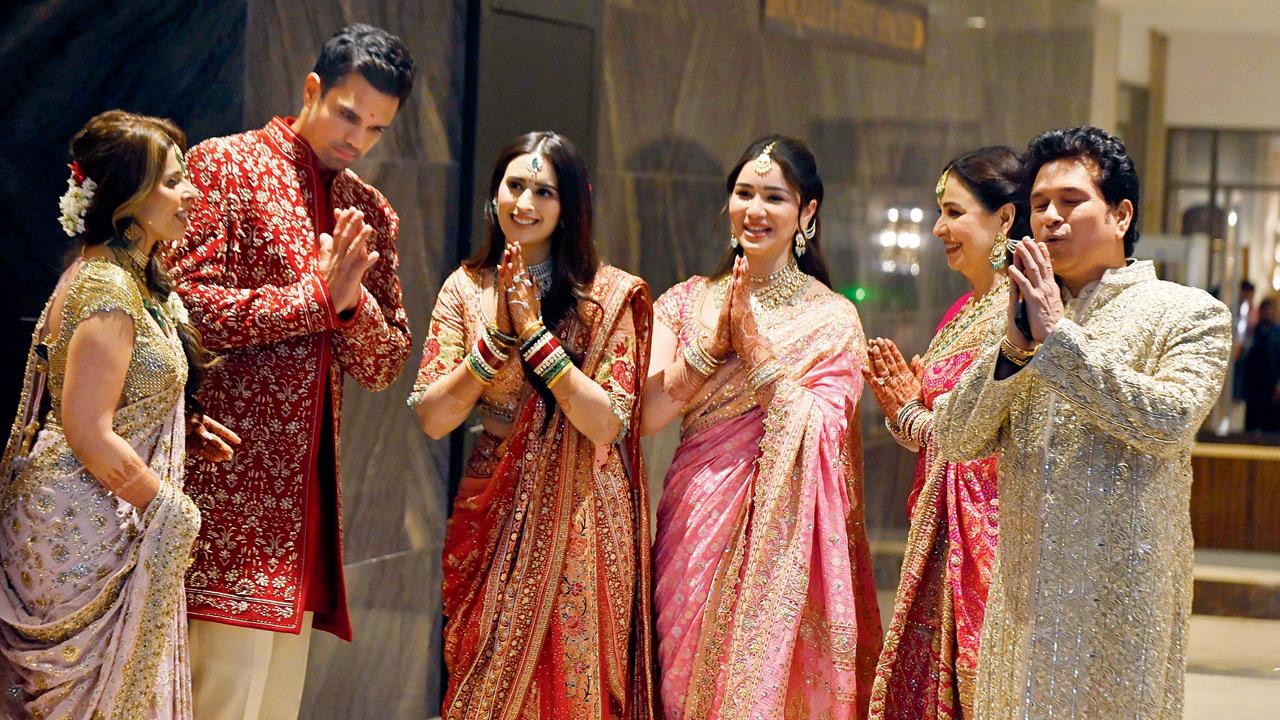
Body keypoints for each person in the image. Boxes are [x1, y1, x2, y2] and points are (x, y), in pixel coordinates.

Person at [933, 126, 1231, 718]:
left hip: (1120, 613)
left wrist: (1058, 339)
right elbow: (956, 438)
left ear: (1121, 215)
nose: (1050, 218)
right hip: (1018, 607)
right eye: (1040, 204)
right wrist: (1015, 349)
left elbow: (1169, 421)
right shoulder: (1016, 320)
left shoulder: (1189, 314)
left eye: (1071, 201)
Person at [164, 24, 415, 720]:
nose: (358, 139)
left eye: (376, 128)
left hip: (307, 514)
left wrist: (350, 306)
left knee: (275, 707)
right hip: (226, 496)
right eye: (348, 115)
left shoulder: (370, 212)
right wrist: (314, 300)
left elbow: (385, 363)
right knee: (218, 702)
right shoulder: (223, 166)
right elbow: (186, 307)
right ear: (312, 89)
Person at [408, 131, 655, 719]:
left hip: (584, 512)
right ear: (494, 192)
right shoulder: (465, 289)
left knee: (573, 678)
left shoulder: (606, 296)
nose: (524, 203)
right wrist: (495, 340)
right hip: (492, 498)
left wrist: (536, 338)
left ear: (569, 206)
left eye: (544, 191)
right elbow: (433, 417)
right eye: (514, 185)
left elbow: (607, 424)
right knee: (481, 667)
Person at [0, 110, 237, 718]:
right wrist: (167, 504)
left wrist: (176, 426)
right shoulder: (106, 286)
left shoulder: (129, 276)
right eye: (173, 182)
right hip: (77, 527)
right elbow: (86, 429)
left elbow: (112, 397)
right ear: (128, 198)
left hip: (95, 513)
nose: (191, 194)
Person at [641, 135, 881, 719]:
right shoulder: (686, 301)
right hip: (695, 516)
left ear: (807, 212)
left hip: (783, 539)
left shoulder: (832, 318)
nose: (755, 209)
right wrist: (708, 352)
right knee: (679, 679)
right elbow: (645, 416)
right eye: (744, 193)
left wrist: (756, 353)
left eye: (774, 197)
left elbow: (826, 435)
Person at [865, 146, 1028, 719]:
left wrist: (911, 413)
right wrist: (905, 410)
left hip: (992, 543)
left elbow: (987, 434)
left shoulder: (1020, 314)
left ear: (1004, 219)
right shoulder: (963, 310)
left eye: (954, 213)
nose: (938, 229)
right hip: (939, 534)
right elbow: (938, 428)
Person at [1242, 297, 1280, 431]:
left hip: (1271, 385)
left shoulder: (1277, 334)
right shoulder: (1254, 332)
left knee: (1271, 426)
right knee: (1253, 423)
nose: (1267, 313)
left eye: (1270, 310)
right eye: (1265, 310)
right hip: (1255, 387)